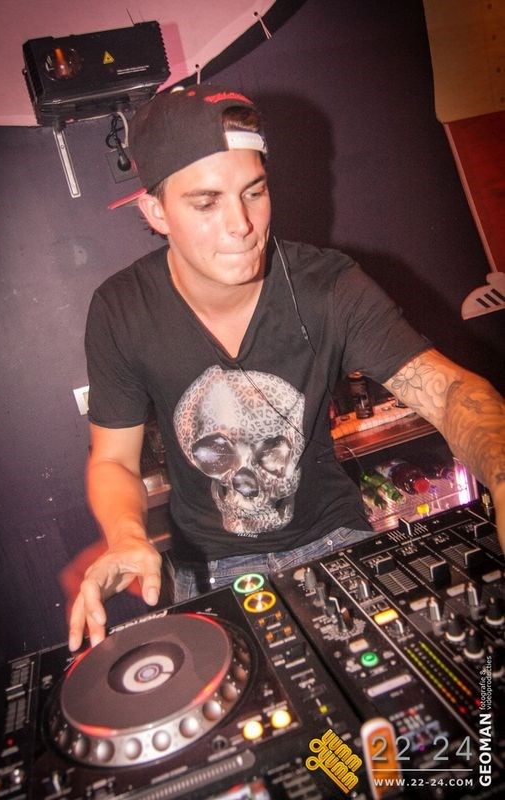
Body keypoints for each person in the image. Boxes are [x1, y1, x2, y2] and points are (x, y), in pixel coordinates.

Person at [68, 84, 505, 652]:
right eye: (206, 203)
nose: (241, 224)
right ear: (157, 212)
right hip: (209, 565)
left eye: (254, 192)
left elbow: (449, 393)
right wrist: (127, 535)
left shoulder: (330, 286)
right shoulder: (122, 310)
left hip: (337, 539)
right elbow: (113, 461)